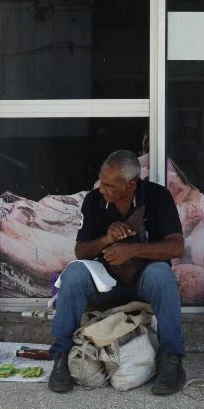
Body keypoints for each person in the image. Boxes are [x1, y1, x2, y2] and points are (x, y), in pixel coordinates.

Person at [48, 150, 187, 395]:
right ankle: (61, 355)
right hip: (107, 283)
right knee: (74, 274)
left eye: (109, 185)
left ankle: (172, 359)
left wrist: (132, 250)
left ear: (130, 185)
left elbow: (176, 246)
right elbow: (81, 251)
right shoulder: (94, 200)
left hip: (144, 281)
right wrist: (106, 239)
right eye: (101, 182)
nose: (102, 189)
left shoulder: (157, 197)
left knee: (162, 275)